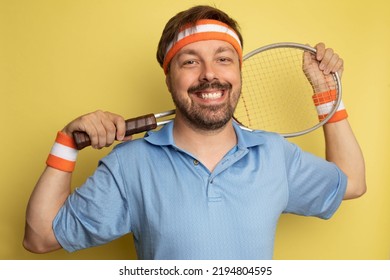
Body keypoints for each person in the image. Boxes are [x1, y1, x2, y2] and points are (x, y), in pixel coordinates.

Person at [23, 5, 366, 260]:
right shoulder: (130, 165)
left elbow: (351, 182)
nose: (209, 75)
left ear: (238, 72)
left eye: (223, 59)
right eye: (190, 61)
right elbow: (39, 237)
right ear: (169, 78)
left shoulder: (274, 154)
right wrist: (67, 143)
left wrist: (326, 92)